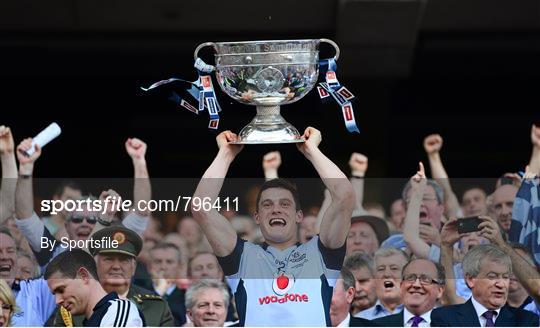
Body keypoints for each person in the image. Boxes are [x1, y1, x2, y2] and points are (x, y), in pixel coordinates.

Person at [191, 128, 355, 326]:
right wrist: (225, 154)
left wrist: (312, 151)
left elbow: (344, 195)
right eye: (267, 205)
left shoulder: (322, 252)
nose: (276, 210)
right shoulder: (241, 256)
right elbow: (201, 207)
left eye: (285, 204)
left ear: (299, 216)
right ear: (257, 217)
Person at [14, 137, 151, 270]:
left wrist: (139, 161)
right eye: (77, 219)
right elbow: (25, 216)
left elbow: (141, 212)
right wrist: (25, 168)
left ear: (103, 224)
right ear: (66, 226)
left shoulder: (114, 247)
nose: (84, 223)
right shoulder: (52, 250)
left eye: (92, 220)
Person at [49, 226, 174, 327]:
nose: (116, 266)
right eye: (109, 259)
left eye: (124, 260)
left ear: (134, 266)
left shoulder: (157, 306)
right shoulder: (71, 306)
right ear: (95, 264)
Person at [431, 244, 539, 327]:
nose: (501, 284)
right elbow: (449, 294)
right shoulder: (444, 318)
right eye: (492, 276)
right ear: (470, 279)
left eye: (505, 277)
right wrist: (446, 245)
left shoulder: (527, 320)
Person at [44, 249, 143, 327]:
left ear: (83, 276)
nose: (57, 300)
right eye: (55, 294)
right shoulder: (95, 319)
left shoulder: (118, 311)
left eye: (61, 290)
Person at [374, 259, 445, 327]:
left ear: (439, 291)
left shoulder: (453, 324)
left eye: (425, 279)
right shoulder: (375, 325)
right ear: (401, 286)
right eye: (410, 278)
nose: (416, 285)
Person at [356, 247, 408, 320]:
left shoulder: (421, 314)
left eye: (394, 268)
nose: (387, 274)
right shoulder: (360, 320)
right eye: (381, 269)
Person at [148, 243, 187, 326]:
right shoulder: (136, 292)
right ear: (149, 266)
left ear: (180, 266)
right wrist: (159, 290)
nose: (163, 267)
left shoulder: (187, 297)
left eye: (169, 262)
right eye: (158, 262)